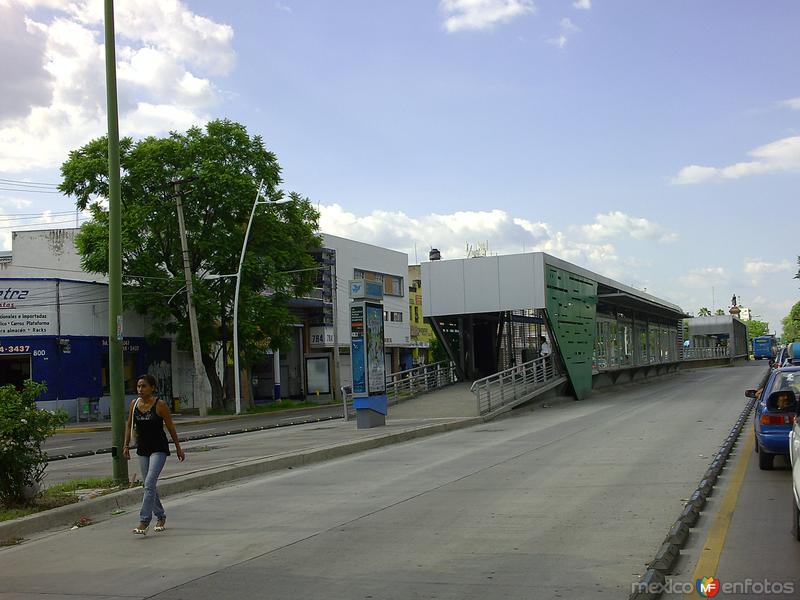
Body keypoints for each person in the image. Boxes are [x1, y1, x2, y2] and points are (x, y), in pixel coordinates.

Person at [123, 374, 185, 535]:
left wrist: (178, 448)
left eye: (143, 386)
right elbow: (129, 424)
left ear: (152, 388)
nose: (140, 389)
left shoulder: (160, 405)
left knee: (149, 483)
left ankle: (144, 521)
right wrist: (125, 446)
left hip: (159, 448)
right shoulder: (134, 404)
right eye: (138, 386)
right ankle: (161, 516)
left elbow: (171, 428)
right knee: (148, 486)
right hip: (142, 449)